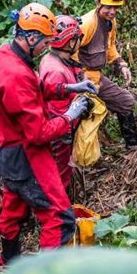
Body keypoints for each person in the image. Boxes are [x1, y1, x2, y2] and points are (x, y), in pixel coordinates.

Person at [0, 3, 94, 265]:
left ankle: (9, 260)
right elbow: (38, 133)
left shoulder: (5, 56)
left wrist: (70, 87)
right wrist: (70, 115)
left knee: (13, 205)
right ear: (31, 37)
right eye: (45, 42)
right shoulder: (16, 74)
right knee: (60, 217)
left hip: (5, 150)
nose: (47, 47)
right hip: (27, 153)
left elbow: (35, 88)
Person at [75, 0, 137, 149]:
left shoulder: (110, 22)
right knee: (80, 118)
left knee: (126, 102)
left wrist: (121, 64)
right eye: (108, 7)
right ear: (98, 3)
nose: (113, 11)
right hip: (82, 81)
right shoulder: (87, 23)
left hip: (98, 78)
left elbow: (110, 47)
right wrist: (81, 80)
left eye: (116, 7)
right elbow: (71, 54)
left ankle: (132, 147)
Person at [38, 15, 99, 187]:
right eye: (78, 38)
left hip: (62, 127)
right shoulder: (56, 70)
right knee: (59, 177)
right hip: (60, 134)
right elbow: (57, 112)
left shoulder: (54, 59)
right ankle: (58, 209)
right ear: (70, 42)